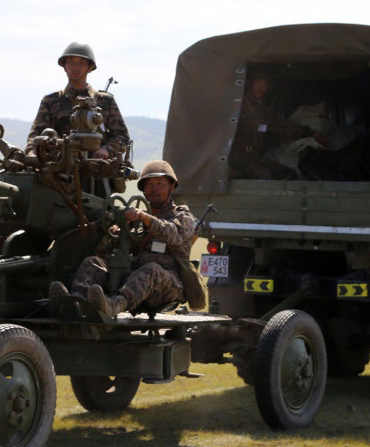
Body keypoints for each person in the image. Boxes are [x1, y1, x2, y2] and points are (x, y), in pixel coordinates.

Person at [48, 160, 206, 316]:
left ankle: (116, 305)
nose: (153, 189)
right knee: (93, 263)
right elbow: (122, 246)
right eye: (149, 185)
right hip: (134, 279)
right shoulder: (138, 219)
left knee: (152, 269)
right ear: (143, 190)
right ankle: (76, 304)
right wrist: (119, 232)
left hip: (169, 285)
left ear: (171, 187)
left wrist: (146, 218)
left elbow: (174, 234)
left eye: (159, 184)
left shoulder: (182, 217)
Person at [26, 42, 129, 160]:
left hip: (98, 169)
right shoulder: (51, 101)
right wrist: (33, 155)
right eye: (71, 62)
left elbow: (122, 136)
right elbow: (36, 135)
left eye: (81, 63)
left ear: (89, 68)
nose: (75, 67)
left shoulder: (105, 100)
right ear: (64, 66)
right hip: (60, 168)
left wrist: (106, 150)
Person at [229, 75, 327, 179]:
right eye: (258, 82)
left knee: (287, 174)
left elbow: (281, 125)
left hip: (251, 156)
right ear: (249, 83)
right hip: (235, 157)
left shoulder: (261, 110)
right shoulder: (237, 104)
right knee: (269, 176)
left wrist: (311, 133)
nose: (261, 88)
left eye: (265, 84)